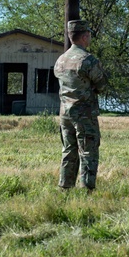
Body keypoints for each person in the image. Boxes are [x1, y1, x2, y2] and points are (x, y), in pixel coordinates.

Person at [54, 20, 108, 190]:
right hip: (84, 113)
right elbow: (102, 84)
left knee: (68, 150)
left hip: (65, 113)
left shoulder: (61, 60)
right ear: (85, 36)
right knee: (88, 151)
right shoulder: (87, 60)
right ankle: (87, 188)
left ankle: (65, 186)